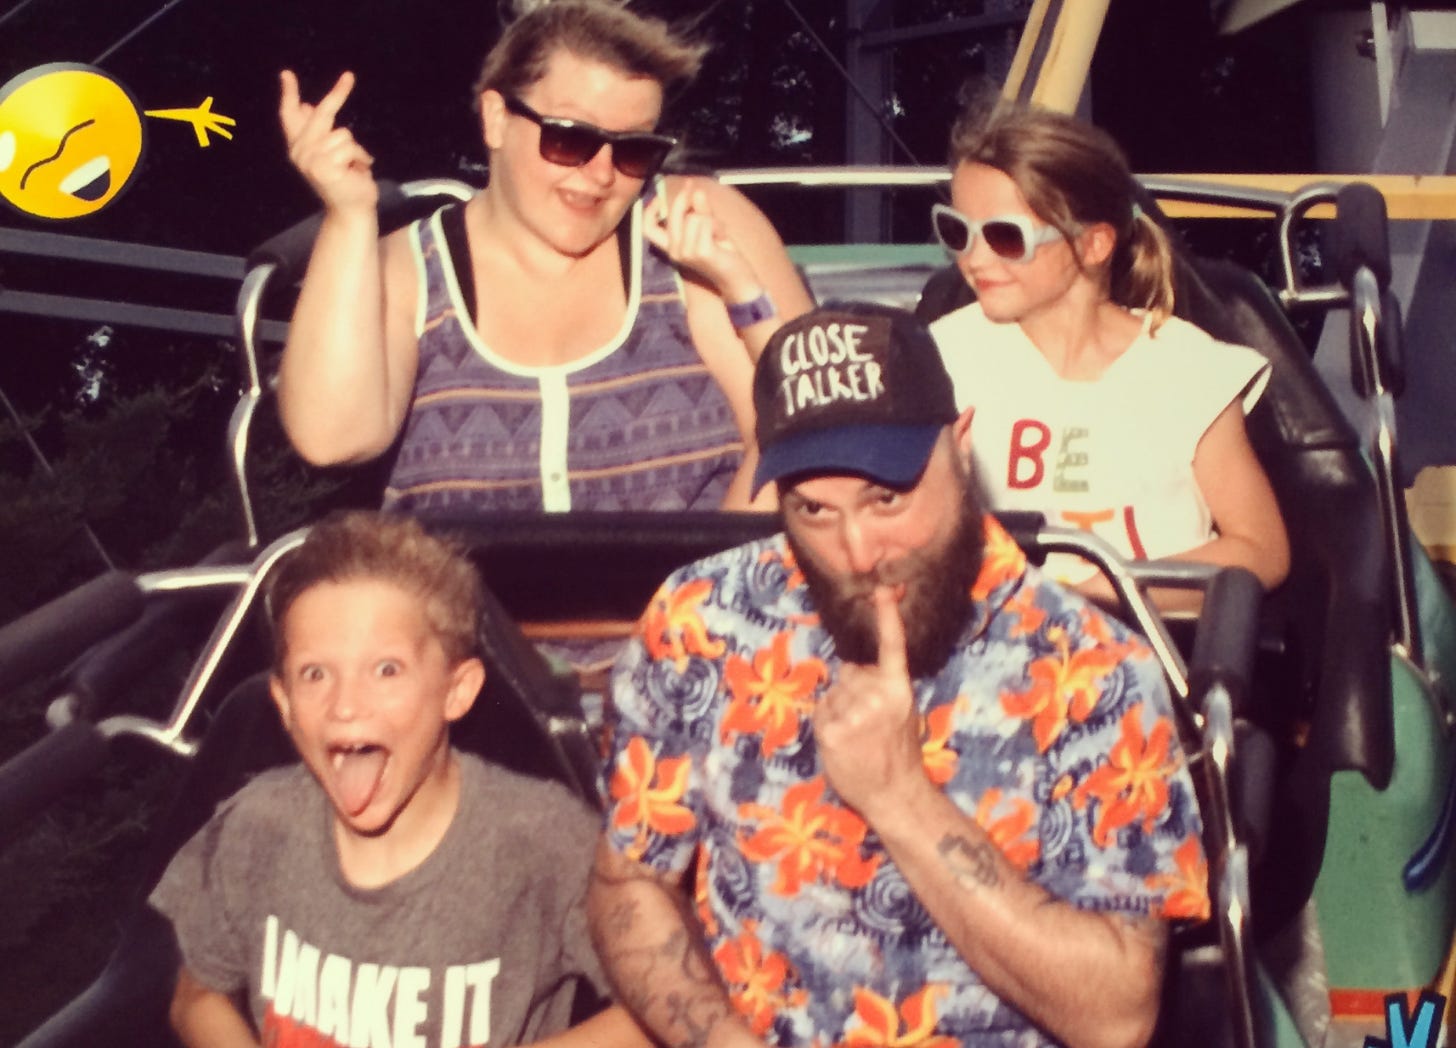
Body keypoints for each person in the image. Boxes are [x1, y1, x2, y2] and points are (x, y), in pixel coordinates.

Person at [586, 304, 1210, 1048]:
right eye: (813, 509)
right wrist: (717, 1038)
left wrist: (900, 798)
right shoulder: (703, 622)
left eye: (888, 498)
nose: (858, 550)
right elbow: (629, 883)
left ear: (962, 444)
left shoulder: (1094, 670)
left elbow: (1117, 1015)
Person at [275, 0, 813, 514]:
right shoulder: (409, 268)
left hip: (691, 598)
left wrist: (696, 599)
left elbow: (807, 434)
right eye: (569, 138)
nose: (601, 174)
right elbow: (334, 439)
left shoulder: (695, 227)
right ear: (495, 119)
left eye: (634, 149)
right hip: (463, 605)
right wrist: (347, 218)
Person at [150, 512, 644, 1048]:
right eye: (316, 674)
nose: (345, 705)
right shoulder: (256, 828)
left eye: (386, 669)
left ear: (457, 690)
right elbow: (197, 994)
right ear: (285, 704)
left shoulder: (540, 839)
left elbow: (657, 1009)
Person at [927, 101, 1289, 607]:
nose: (974, 258)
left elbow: (1261, 549)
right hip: (996, 643)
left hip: (1158, 647)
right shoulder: (942, 356)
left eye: (1005, 237)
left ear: (1094, 244)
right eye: (957, 231)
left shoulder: (1187, 369)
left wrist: (1096, 594)